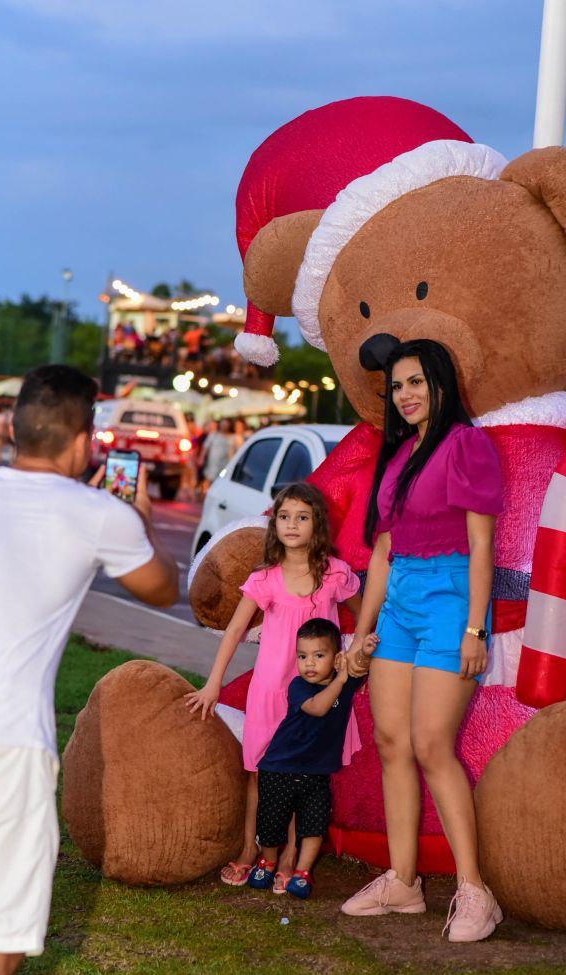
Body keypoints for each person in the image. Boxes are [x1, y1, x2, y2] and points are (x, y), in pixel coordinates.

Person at [0, 365, 179, 975]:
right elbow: (161, 588)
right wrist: (140, 519)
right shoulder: (102, 513)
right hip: (8, 751)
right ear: (86, 440)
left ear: (13, 426)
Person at [342, 339, 504, 943]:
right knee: (391, 741)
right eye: (397, 387)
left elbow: (483, 546)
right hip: (402, 600)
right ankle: (404, 883)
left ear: (440, 383)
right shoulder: (398, 453)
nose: (405, 395)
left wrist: (474, 628)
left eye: (416, 382)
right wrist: (361, 633)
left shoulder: (467, 445)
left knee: (433, 743)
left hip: (450, 599)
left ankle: (475, 892)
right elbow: (382, 550)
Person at [185, 482, 362, 892]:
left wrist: (351, 656)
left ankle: (288, 858)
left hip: (315, 694)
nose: (292, 525)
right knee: (259, 772)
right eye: (284, 517)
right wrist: (213, 684)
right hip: (270, 690)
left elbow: (362, 610)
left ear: (316, 523)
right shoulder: (264, 579)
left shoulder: (334, 573)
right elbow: (234, 631)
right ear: (274, 525)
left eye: (302, 517)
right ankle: (251, 850)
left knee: (305, 772)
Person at [246, 619, 378, 898]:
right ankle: (267, 860)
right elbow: (318, 708)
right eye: (303, 656)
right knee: (271, 823)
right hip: (279, 768)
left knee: (314, 825)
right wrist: (341, 680)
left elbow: (361, 667)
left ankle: (302, 871)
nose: (309, 664)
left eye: (319, 655)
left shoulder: (345, 679)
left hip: (317, 773)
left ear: (336, 657)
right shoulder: (299, 687)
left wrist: (364, 651)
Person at [198, 417, 236, 489]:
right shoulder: (213, 435)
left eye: (226, 424)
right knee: (209, 479)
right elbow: (205, 447)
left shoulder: (234, 437)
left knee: (222, 482)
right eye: (222, 424)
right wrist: (201, 458)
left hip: (226, 465)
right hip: (212, 464)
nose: (224, 426)